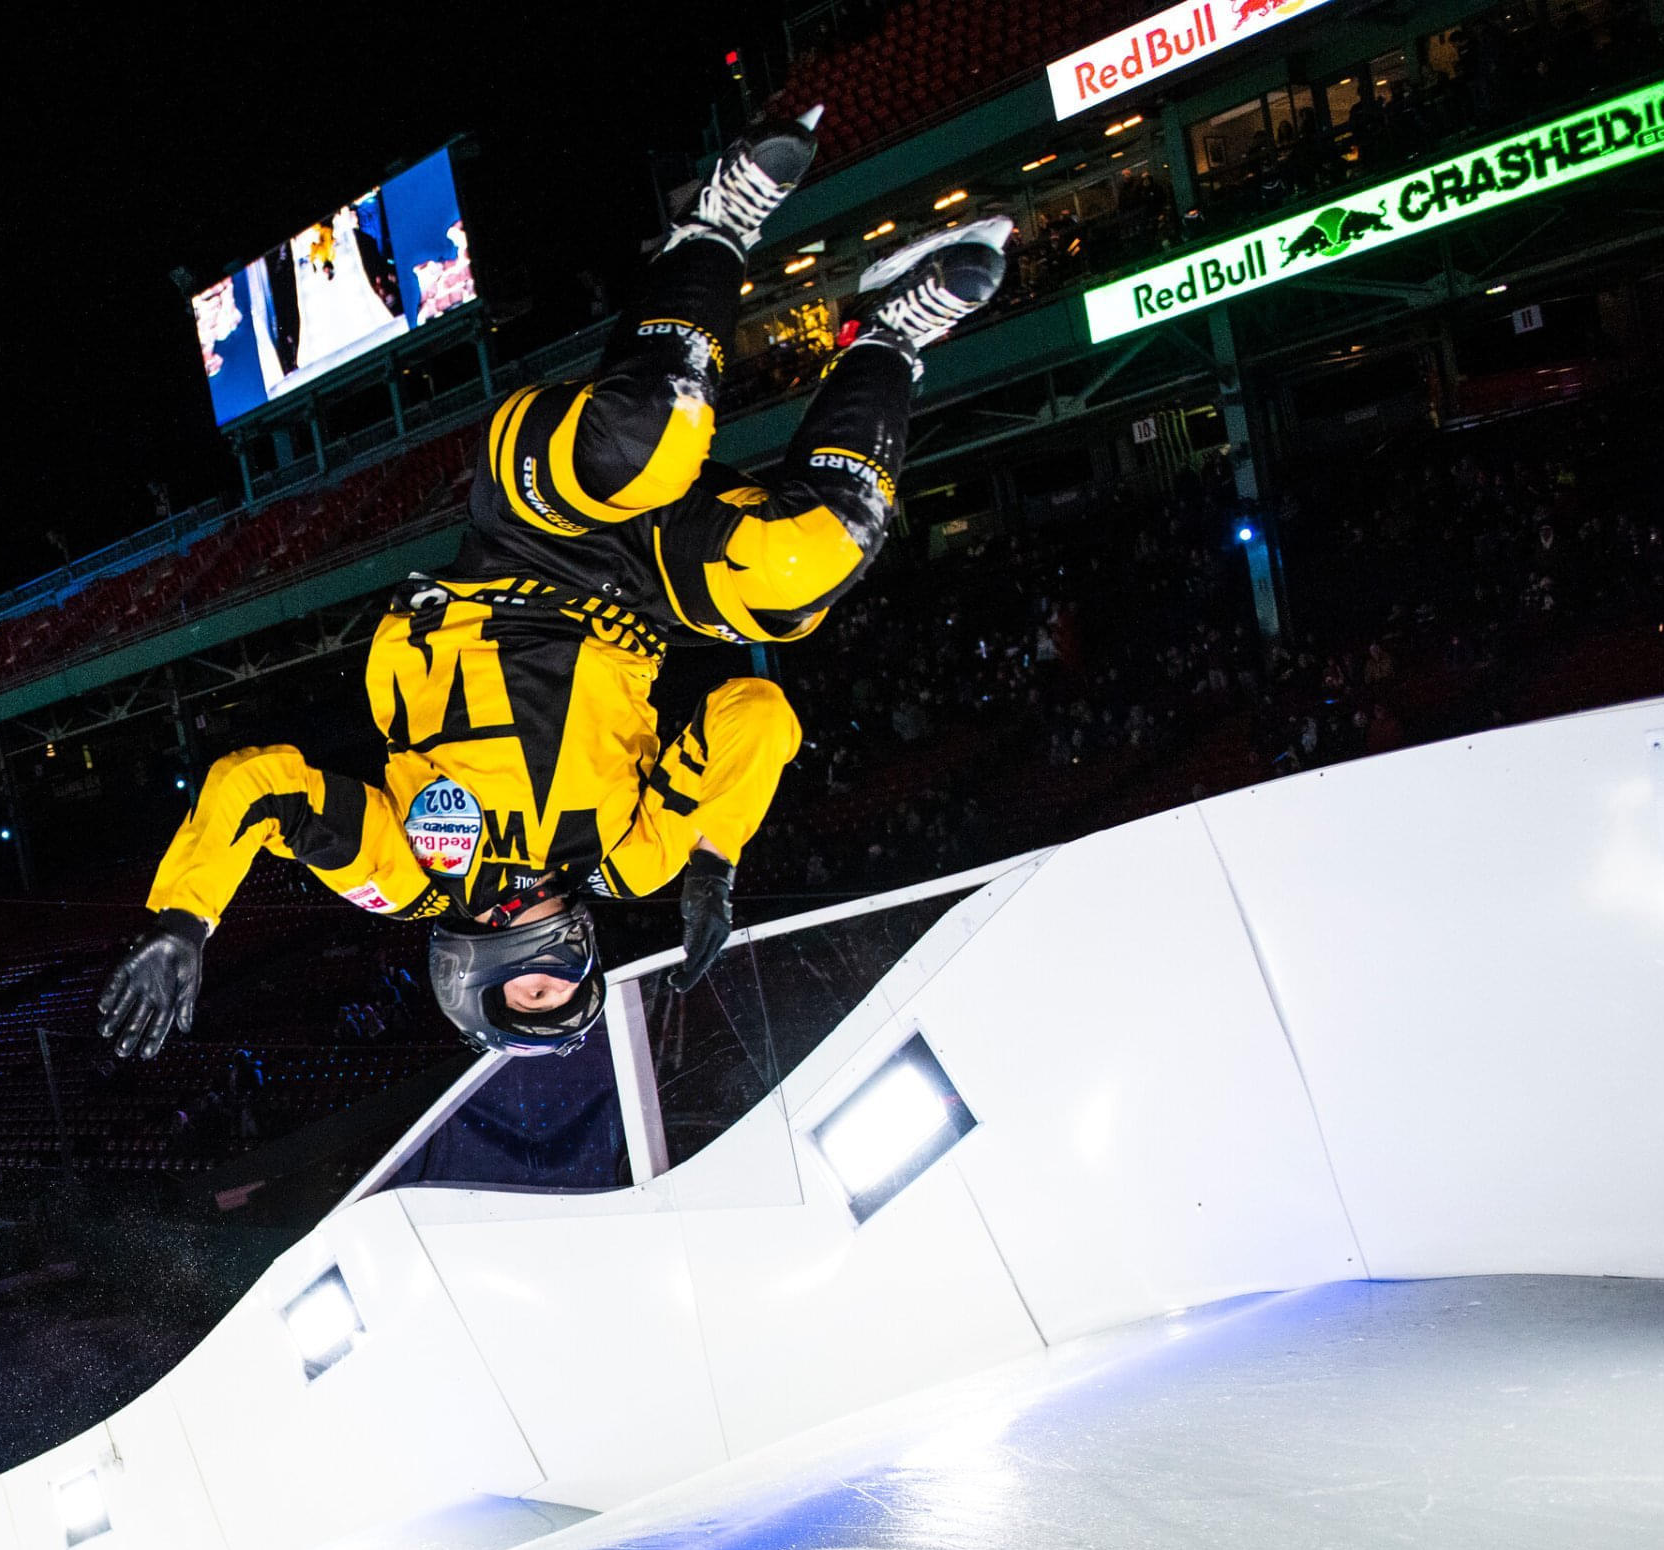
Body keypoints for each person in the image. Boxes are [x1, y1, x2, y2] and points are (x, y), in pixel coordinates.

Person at [100, 107, 1012, 1060]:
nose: (561, 965)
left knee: (651, 444)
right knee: (801, 572)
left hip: (515, 550)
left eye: (534, 985)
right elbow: (757, 715)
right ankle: (890, 334)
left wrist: (185, 918)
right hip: (641, 596)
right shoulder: (633, 862)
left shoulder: (405, 871)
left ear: (477, 975)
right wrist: (713, 856)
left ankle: (712, 227)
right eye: (570, 982)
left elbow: (260, 786)